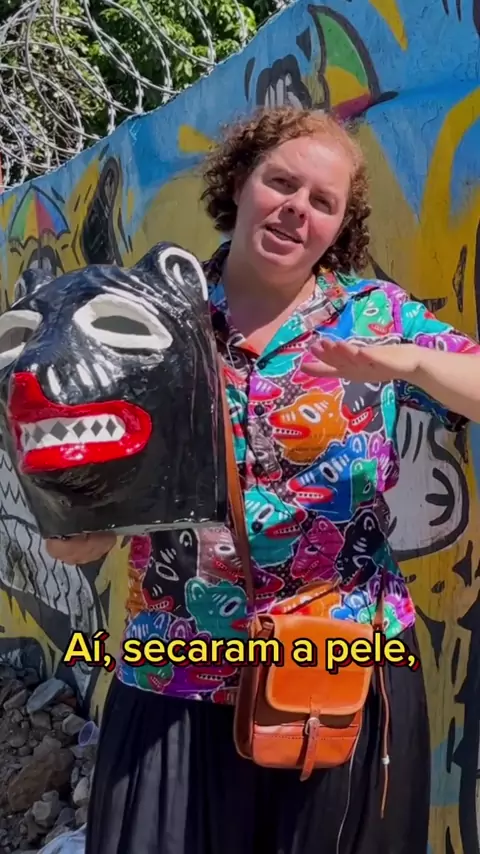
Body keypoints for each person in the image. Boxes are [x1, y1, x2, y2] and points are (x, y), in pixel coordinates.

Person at [45, 106, 480, 854]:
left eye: (323, 201)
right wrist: (80, 530)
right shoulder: (154, 318)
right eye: (281, 183)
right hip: (176, 672)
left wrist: (410, 363)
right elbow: (92, 509)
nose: (297, 209)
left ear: (340, 226)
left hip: (341, 672)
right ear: (241, 181)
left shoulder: (373, 316)